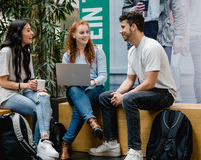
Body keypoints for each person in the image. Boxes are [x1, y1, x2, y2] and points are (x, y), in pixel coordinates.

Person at [89, 12, 176, 160]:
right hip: (149, 90)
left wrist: (125, 96)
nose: (120, 30)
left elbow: (150, 82)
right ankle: (111, 144)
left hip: (164, 93)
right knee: (105, 97)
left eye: (123, 27)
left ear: (133, 27)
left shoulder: (151, 47)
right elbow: (129, 80)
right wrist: (117, 94)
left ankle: (136, 151)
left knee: (129, 99)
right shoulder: (132, 51)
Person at [0, 20, 59, 160]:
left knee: (44, 98)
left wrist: (36, 86)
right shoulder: (6, 51)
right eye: (28, 30)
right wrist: (25, 85)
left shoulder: (26, 51)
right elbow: (3, 82)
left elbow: (28, 79)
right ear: (18, 33)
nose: (32, 33)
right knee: (42, 109)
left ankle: (42, 143)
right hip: (5, 93)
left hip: (22, 90)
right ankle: (37, 146)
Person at [59, 20, 107, 160]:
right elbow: (65, 80)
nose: (86, 35)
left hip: (94, 89)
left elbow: (103, 76)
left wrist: (92, 82)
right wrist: (67, 82)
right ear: (73, 35)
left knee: (79, 108)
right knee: (74, 88)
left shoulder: (98, 51)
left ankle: (66, 143)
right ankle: (91, 119)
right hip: (74, 91)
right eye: (82, 32)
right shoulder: (67, 55)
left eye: (87, 32)